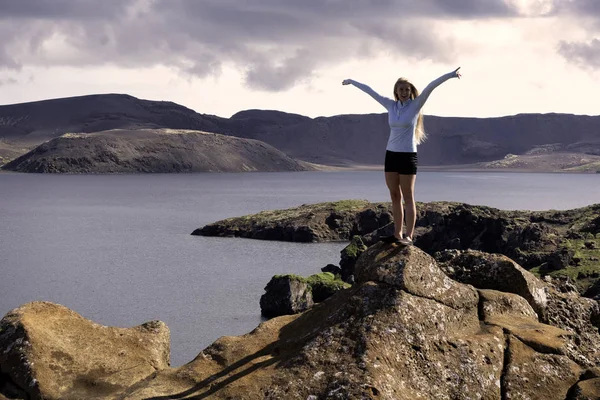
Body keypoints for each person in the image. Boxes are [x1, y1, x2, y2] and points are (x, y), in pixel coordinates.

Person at [342, 67, 461, 245]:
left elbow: (431, 86)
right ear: (396, 91)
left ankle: (409, 236)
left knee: (408, 196)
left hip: (408, 156)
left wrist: (450, 75)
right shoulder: (390, 105)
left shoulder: (415, 105)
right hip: (391, 155)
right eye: (401, 89)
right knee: (394, 196)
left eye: (407, 89)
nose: (404, 92)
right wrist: (352, 81)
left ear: (411, 91)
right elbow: (371, 91)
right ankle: (397, 234)